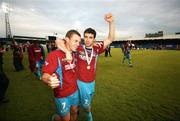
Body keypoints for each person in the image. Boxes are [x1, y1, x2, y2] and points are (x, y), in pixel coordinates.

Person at [56, 13, 115, 121]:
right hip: (80, 82)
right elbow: (58, 41)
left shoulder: (97, 48)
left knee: (83, 106)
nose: (87, 40)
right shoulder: (78, 48)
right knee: (86, 108)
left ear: (94, 39)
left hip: (91, 83)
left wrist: (111, 22)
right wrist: (67, 52)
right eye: (86, 37)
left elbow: (110, 38)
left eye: (90, 37)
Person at [41, 30, 81, 121]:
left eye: (79, 41)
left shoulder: (75, 52)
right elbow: (45, 75)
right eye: (75, 41)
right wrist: (49, 80)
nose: (78, 44)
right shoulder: (54, 55)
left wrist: (67, 51)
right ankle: (55, 118)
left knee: (74, 111)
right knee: (66, 119)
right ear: (67, 39)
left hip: (74, 90)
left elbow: (58, 41)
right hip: (61, 94)